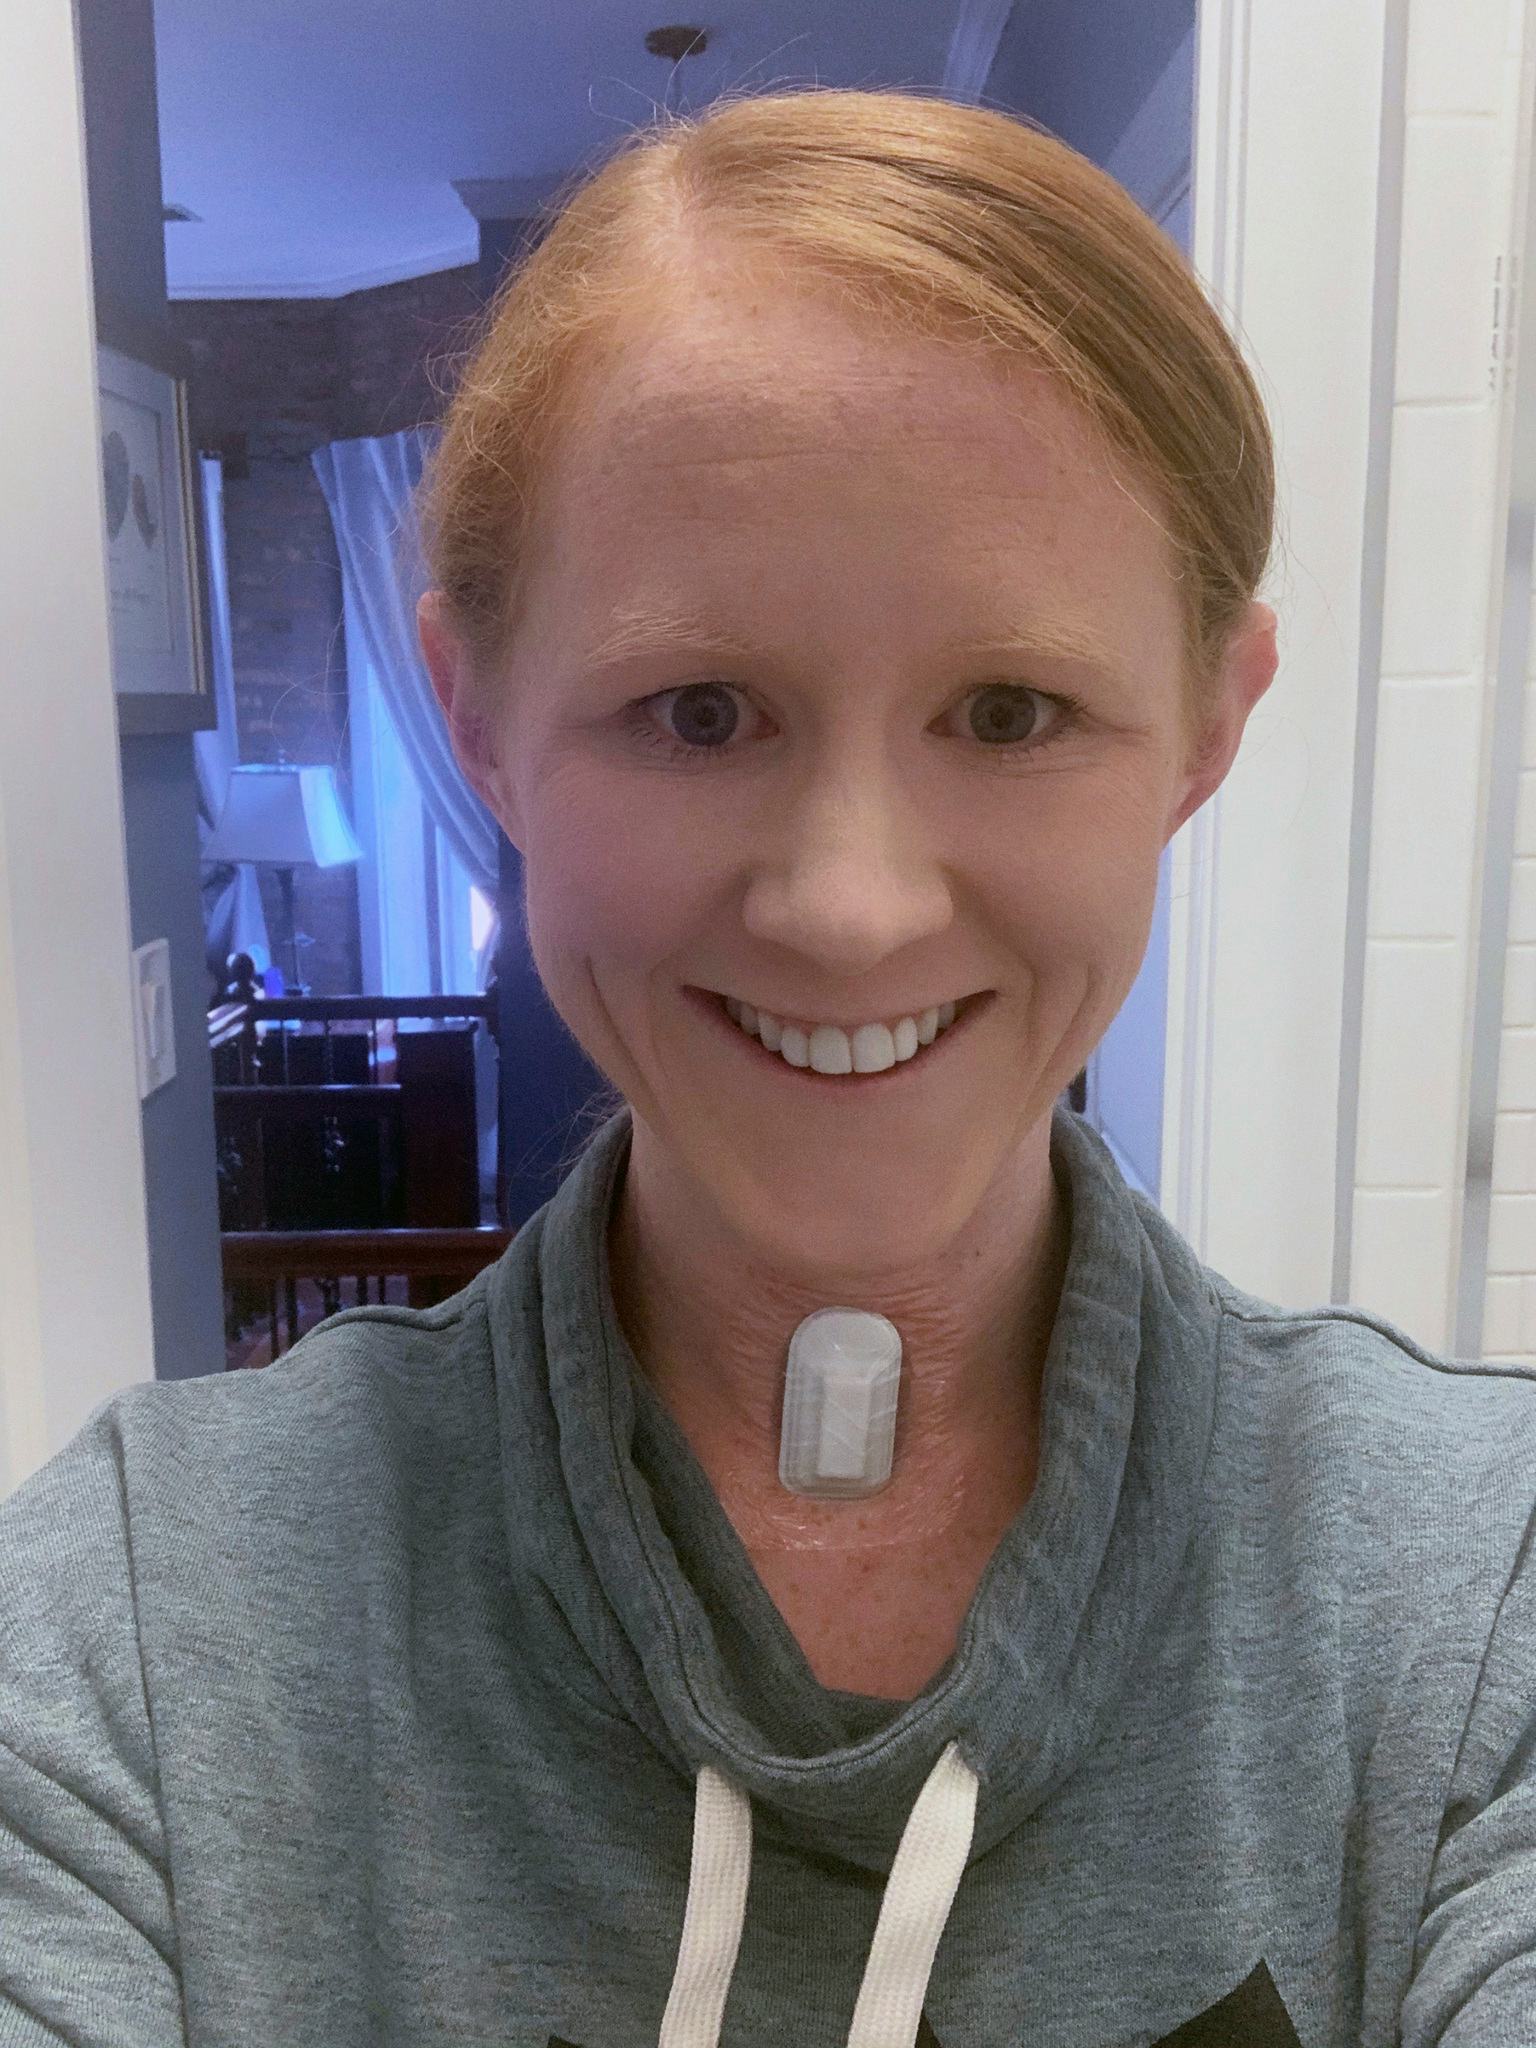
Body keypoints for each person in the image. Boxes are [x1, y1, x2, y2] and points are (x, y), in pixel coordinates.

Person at [3, 85, 1534, 2048]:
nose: (848, 909)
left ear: (1205, 732)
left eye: (1011, 711)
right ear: (478, 721)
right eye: (700, 711)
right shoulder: (137, 1633)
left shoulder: (1476, 1609)